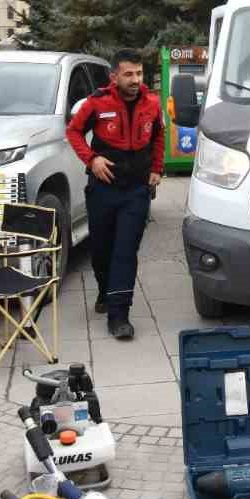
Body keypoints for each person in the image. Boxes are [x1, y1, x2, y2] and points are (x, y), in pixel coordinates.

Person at [65, 48, 164, 341]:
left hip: (136, 190)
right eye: (128, 74)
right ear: (114, 76)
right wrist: (92, 159)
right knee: (101, 249)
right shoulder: (97, 103)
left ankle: (119, 314)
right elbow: (73, 132)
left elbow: (158, 135)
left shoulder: (152, 103)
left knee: (125, 251)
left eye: (139, 73)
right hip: (103, 189)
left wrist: (157, 169)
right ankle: (105, 290)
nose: (135, 80)